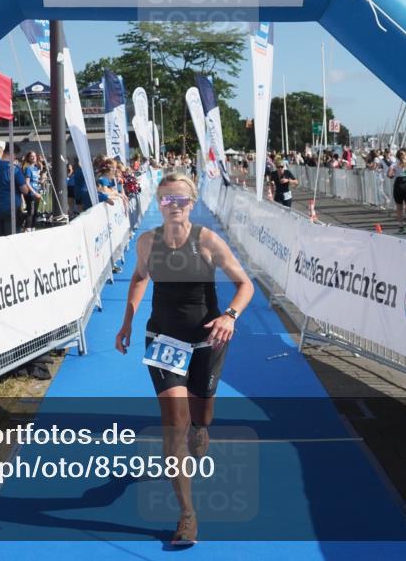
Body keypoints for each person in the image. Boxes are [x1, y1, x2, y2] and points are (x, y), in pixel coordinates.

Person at [114, 174, 254, 546]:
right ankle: (187, 514)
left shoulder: (206, 241)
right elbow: (140, 277)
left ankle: (201, 427)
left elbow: (245, 284)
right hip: (163, 340)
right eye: (166, 200)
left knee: (200, 415)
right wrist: (127, 321)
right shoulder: (148, 242)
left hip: (207, 340)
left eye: (181, 200)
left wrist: (230, 316)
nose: (173, 206)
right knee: (174, 424)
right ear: (158, 203)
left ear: (191, 204)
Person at [0, 143, 30, 237]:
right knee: (12, 239)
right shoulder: (14, 169)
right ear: (13, 154)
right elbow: (25, 190)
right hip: (11, 209)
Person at [22, 151, 44, 231]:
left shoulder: (35, 168)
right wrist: (34, 193)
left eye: (35, 156)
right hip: (30, 193)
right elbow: (27, 182)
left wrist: (41, 180)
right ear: (28, 158)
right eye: (31, 156)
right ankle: (27, 229)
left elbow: (35, 180)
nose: (34, 157)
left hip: (36, 192)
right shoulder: (28, 168)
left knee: (35, 212)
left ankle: (33, 228)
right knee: (30, 212)